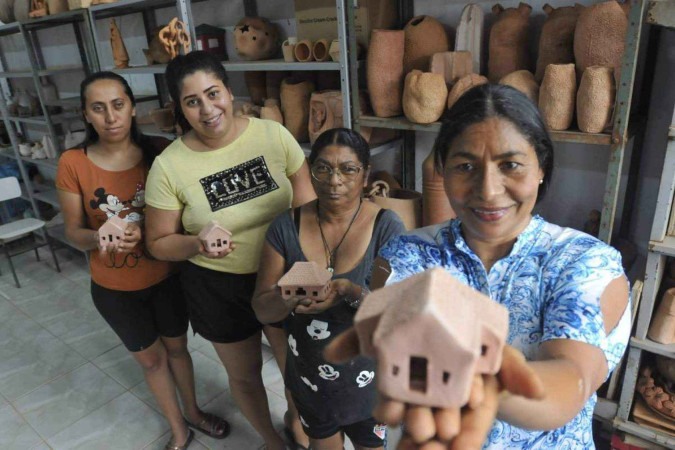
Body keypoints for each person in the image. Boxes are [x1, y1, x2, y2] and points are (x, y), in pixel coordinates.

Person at [327, 84, 631, 449]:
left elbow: (572, 381)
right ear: (442, 169)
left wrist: (480, 382)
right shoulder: (410, 254)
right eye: (465, 166)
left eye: (510, 165)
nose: (488, 190)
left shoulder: (583, 262)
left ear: (541, 168)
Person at [144, 51, 316, 450]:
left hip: (282, 276)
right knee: (244, 376)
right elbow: (157, 243)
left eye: (213, 93)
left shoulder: (273, 135)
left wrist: (308, 274)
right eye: (192, 101)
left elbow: (307, 213)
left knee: (295, 367)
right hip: (217, 287)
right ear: (180, 109)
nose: (207, 110)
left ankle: (299, 425)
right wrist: (195, 241)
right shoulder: (169, 166)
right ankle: (272, 441)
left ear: (229, 90)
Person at [56, 71, 229, 450]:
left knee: (178, 350)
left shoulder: (160, 151)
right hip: (114, 289)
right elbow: (72, 231)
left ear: (133, 107)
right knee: (152, 362)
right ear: (86, 115)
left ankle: (195, 412)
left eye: (118, 105)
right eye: (98, 109)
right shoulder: (73, 162)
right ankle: (178, 427)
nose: (110, 117)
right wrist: (100, 238)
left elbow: (183, 210)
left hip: (166, 278)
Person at [252, 128, 406, 450]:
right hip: (310, 380)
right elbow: (261, 308)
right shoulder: (285, 226)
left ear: (365, 176)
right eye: (323, 168)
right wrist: (290, 294)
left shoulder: (387, 227)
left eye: (348, 169)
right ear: (310, 171)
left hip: (369, 382)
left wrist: (349, 290)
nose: (334, 180)